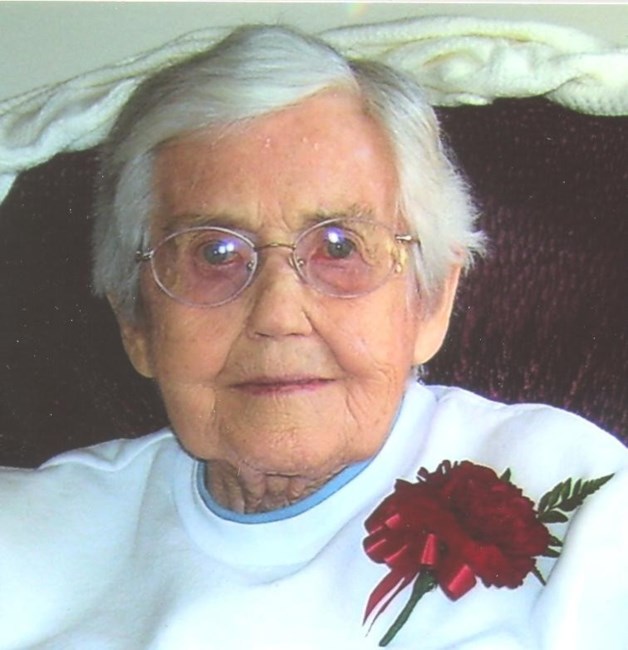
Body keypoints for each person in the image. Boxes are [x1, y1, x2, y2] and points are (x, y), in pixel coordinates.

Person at [1, 24, 626, 650]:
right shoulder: (25, 542)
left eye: (339, 247)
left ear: (432, 300)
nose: (278, 313)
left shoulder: (584, 510)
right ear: (136, 322)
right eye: (215, 253)